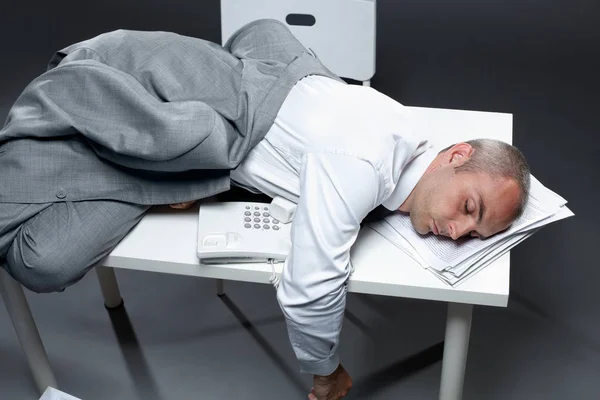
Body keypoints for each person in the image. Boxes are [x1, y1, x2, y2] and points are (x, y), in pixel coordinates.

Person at [0, 19, 530, 400]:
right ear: (456, 155)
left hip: (204, 86)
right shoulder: (363, 164)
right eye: (469, 207)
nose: (457, 231)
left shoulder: (406, 131)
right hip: (132, 89)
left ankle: (178, 177)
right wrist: (327, 370)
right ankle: (151, 168)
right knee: (35, 261)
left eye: (474, 232)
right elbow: (311, 284)